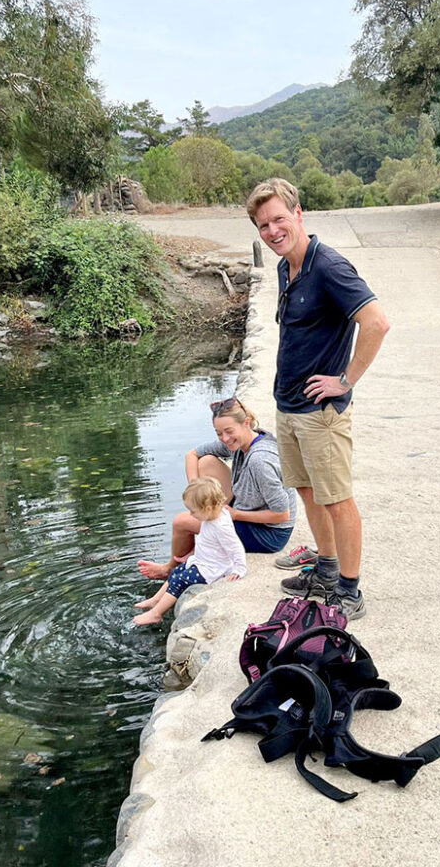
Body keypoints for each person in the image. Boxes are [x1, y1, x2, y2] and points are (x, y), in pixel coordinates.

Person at [245, 178, 389, 621]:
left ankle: (349, 590)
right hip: (289, 406)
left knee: (336, 498)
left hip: (320, 414)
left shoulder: (329, 266)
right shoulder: (286, 266)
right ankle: (325, 571)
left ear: (299, 213)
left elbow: (377, 323)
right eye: (263, 224)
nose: (271, 231)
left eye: (278, 219)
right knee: (308, 492)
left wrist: (345, 380)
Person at [137, 397, 296, 581]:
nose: (225, 439)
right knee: (206, 462)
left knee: (182, 522)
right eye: (219, 433)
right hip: (248, 507)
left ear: (246, 423)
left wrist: (235, 515)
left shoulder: (260, 461)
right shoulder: (242, 441)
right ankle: (193, 549)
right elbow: (192, 454)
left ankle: (170, 569)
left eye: (229, 431)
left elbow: (283, 515)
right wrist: (196, 491)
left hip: (270, 532)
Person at [133, 477, 245, 626]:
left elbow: (235, 547)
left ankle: (156, 614)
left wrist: (239, 569)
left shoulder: (221, 526)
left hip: (211, 569)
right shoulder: (214, 514)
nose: (191, 515)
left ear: (208, 508)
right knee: (176, 572)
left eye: (193, 511)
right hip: (202, 561)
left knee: (180, 580)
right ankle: (155, 600)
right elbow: (207, 540)